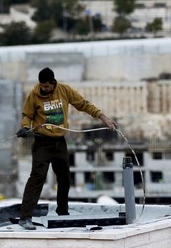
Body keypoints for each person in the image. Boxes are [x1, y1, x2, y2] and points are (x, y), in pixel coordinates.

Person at [16, 67, 116, 230]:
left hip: (59, 142)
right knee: (36, 178)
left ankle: (62, 212)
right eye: (41, 86)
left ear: (53, 83)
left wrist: (102, 117)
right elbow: (27, 115)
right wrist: (25, 127)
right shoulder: (34, 95)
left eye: (47, 86)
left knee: (65, 178)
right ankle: (25, 217)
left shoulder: (64, 90)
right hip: (42, 143)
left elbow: (83, 105)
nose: (44, 89)